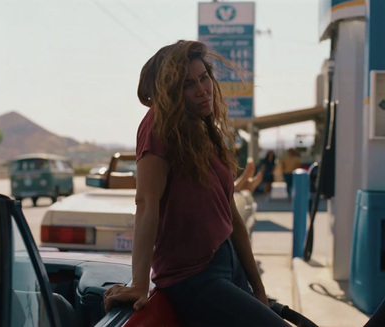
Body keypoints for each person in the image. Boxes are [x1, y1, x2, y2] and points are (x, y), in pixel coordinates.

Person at [103, 40, 290, 326]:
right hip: (194, 278)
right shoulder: (157, 127)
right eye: (188, 85)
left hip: (227, 260)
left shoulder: (203, 129)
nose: (202, 90)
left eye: (204, 78)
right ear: (171, 93)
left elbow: (230, 213)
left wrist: (258, 287)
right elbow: (146, 204)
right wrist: (139, 282)